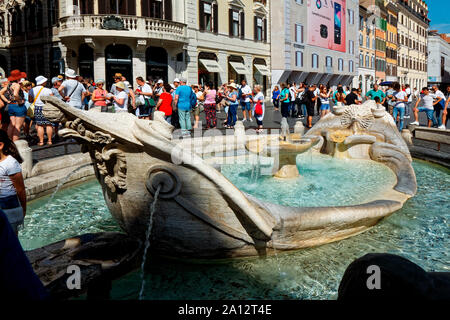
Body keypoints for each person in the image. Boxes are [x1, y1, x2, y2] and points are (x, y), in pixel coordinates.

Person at [0, 130, 26, 235]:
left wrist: (23, 209)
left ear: (0, 145)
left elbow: (20, 189)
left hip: (8, 203)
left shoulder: (10, 163)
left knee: (11, 237)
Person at [0, 70, 27, 141]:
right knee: (17, 127)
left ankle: (9, 142)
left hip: (11, 106)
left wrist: (7, 101)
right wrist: (19, 101)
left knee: (11, 125)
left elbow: (1, 93)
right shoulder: (17, 85)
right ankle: (15, 144)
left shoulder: (9, 85)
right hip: (18, 106)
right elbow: (15, 94)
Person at [29, 76, 54, 146]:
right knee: (49, 125)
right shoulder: (48, 90)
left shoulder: (32, 90)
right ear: (43, 82)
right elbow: (53, 99)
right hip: (47, 108)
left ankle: (41, 141)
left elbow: (30, 100)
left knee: (40, 125)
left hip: (38, 108)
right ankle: (49, 141)